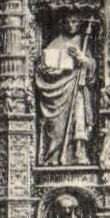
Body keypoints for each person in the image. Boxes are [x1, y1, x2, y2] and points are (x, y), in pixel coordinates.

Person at [35, 14, 95, 165]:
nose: (70, 25)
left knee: (79, 118)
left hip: (77, 86)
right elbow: (42, 67)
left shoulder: (83, 41)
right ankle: (54, 156)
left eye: (74, 21)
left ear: (80, 22)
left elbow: (93, 65)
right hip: (58, 90)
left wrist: (84, 59)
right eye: (67, 21)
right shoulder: (56, 41)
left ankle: (79, 152)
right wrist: (54, 70)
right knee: (56, 126)